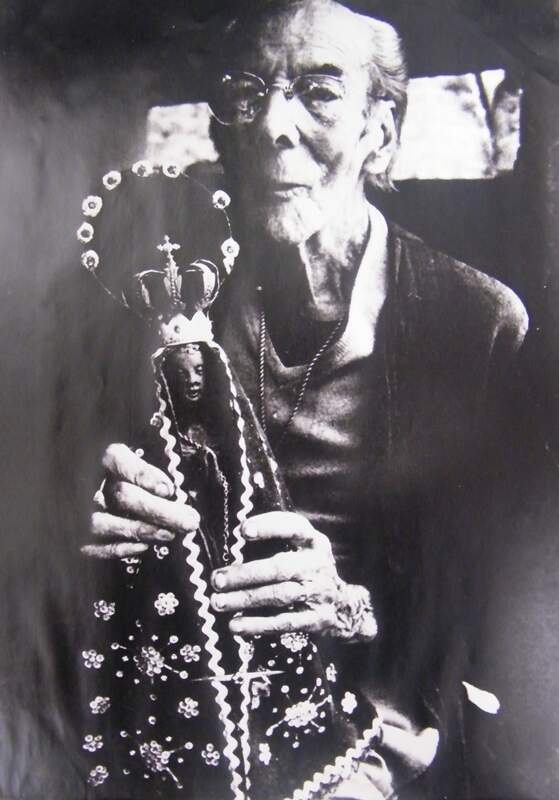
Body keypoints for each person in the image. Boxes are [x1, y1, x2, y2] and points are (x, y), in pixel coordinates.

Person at [84, 1, 529, 796]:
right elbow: (57, 517)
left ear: (380, 132)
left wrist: (349, 608)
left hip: (368, 716)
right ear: (221, 130)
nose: (272, 128)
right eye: (246, 94)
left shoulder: (474, 322)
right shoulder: (158, 298)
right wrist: (88, 513)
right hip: (171, 712)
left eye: (319, 93)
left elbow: (499, 616)